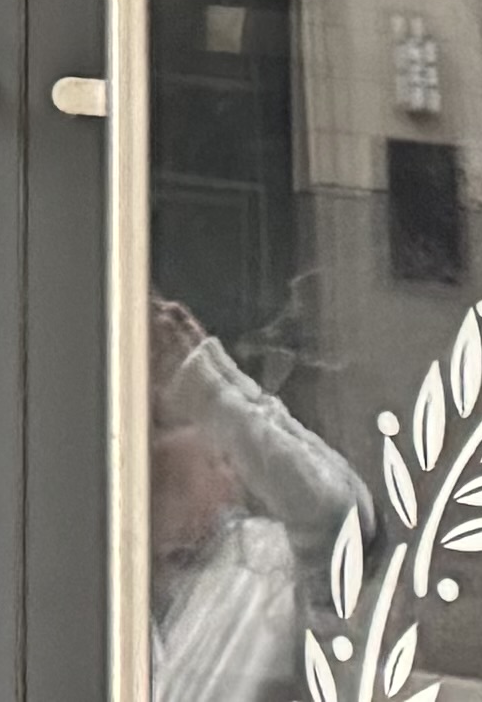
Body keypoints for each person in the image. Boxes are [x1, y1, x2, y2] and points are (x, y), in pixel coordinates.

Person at [151, 298, 358, 702]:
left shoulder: (270, 562)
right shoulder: (100, 581)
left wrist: (204, 383)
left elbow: (338, 517)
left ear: (226, 454)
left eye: (160, 423)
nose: (143, 448)